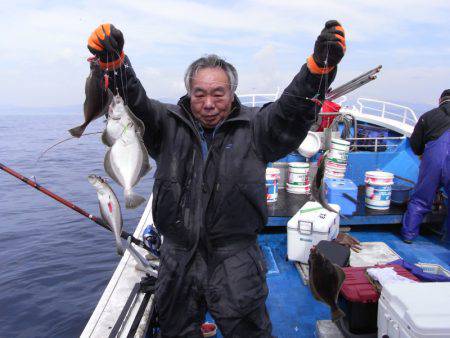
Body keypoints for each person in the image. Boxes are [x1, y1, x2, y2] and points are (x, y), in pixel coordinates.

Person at [87, 21, 346, 337]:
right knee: (175, 330)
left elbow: (291, 110)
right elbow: (135, 102)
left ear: (232, 92)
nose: (208, 103)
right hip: (177, 256)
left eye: (218, 93)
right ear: (189, 94)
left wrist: (318, 68)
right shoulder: (165, 125)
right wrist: (116, 64)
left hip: (236, 259)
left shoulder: (256, 127)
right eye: (199, 94)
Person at [402, 90, 450, 243]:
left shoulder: (428, 116)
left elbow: (416, 146)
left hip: (434, 159)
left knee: (421, 199)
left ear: (440, 100)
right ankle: (446, 239)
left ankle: (409, 235)